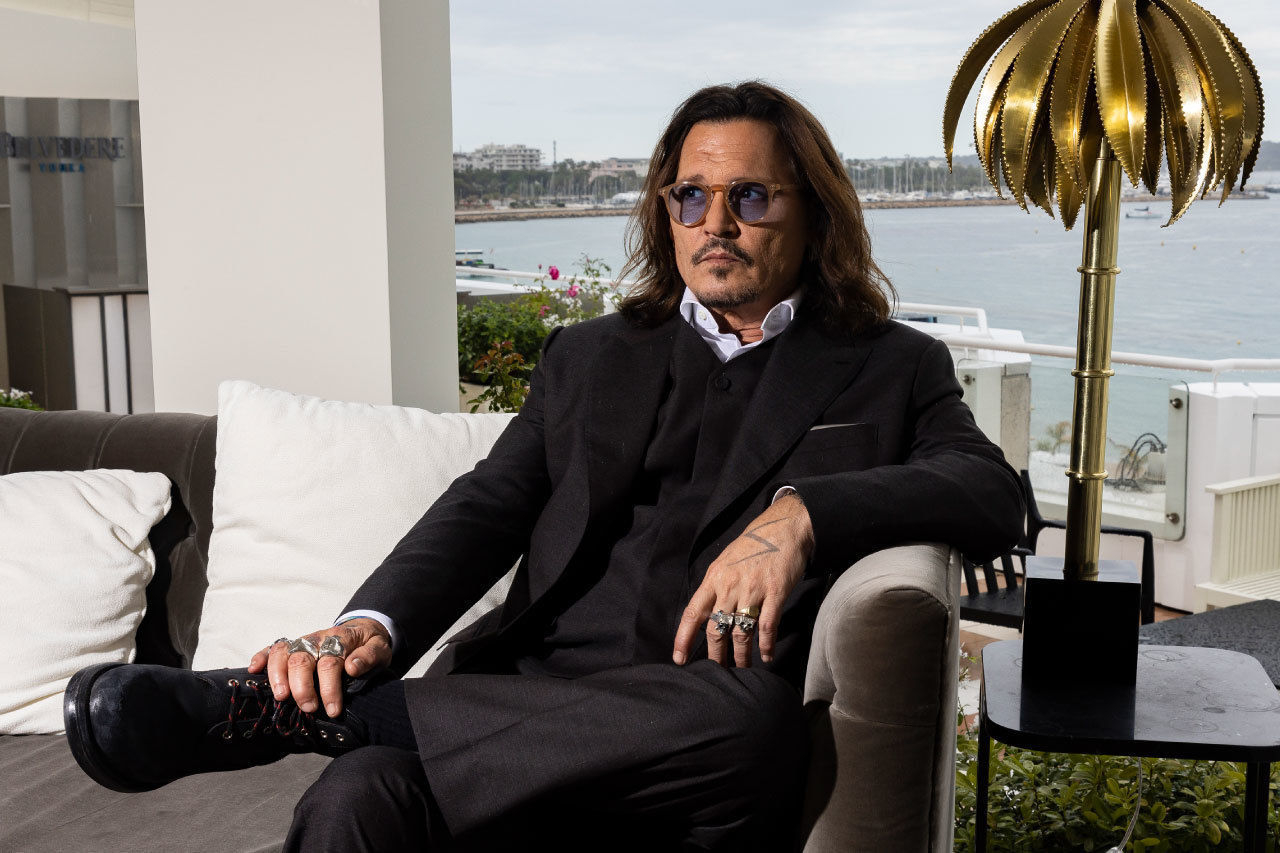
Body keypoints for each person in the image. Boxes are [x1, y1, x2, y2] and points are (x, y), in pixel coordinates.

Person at [65, 81, 1024, 851]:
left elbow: (992, 495)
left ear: (812, 213)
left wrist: (803, 514)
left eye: (750, 196)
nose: (715, 222)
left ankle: (299, 716)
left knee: (751, 723)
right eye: (691, 196)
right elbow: (489, 503)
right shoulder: (592, 356)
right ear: (666, 212)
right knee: (358, 797)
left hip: (695, 743)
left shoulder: (888, 365)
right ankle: (347, 723)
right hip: (524, 698)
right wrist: (370, 623)